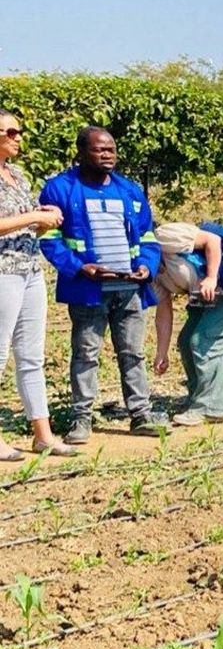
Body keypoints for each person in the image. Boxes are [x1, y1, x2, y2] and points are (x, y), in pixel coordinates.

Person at [38, 127, 168, 443]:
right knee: (85, 355)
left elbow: (148, 237)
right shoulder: (59, 189)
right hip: (88, 291)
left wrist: (146, 268)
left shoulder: (131, 191)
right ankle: (81, 420)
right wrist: (80, 267)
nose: (107, 154)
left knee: (133, 353)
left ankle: (140, 415)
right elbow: (49, 239)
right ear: (81, 153)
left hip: (129, 289)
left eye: (111, 149)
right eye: (99, 150)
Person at [0, 108, 76, 458]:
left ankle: (42, 433)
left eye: (18, 132)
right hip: (3, 272)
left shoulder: (16, 174)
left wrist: (45, 219)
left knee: (31, 355)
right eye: (10, 132)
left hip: (29, 269)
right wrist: (33, 216)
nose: (17, 138)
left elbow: (26, 222)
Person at [151, 223, 223, 425]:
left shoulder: (164, 236)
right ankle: (197, 399)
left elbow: (212, 240)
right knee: (185, 341)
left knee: (205, 340)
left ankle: (211, 407)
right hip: (205, 298)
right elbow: (163, 309)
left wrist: (211, 277)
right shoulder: (148, 271)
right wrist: (161, 352)